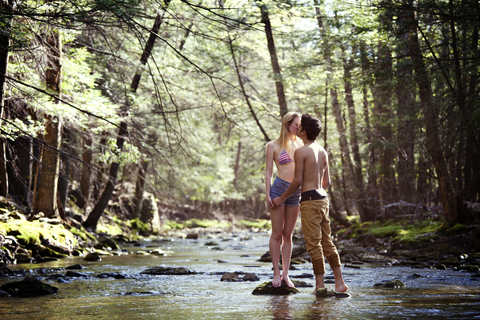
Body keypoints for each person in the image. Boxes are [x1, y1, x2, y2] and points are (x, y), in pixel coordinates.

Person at [272, 114, 348, 293]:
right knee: (327, 241)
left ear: (304, 132)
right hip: (323, 199)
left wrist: (281, 198)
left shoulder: (301, 152)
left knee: (314, 244)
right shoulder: (322, 150)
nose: (296, 129)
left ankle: (320, 286)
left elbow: (297, 181)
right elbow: (327, 183)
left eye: (299, 128)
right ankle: (340, 283)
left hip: (310, 201)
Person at [265, 111, 303, 288]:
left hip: (296, 192)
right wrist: (267, 194)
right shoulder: (272, 146)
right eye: (296, 124)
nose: (299, 127)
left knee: (288, 235)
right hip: (278, 189)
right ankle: (275, 273)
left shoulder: (301, 144)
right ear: (287, 124)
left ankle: (286, 275)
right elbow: (268, 172)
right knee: (277, 234)